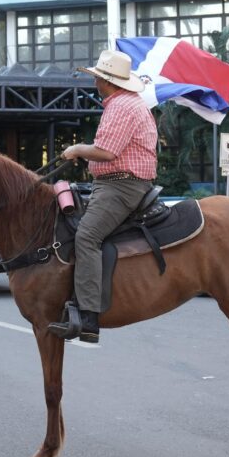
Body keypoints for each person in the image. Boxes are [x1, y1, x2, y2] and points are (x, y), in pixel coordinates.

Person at [47, 49, 158, 344]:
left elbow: (107, 152)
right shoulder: (128, 103)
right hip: (116, 183)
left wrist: (77, 150)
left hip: (122, 186)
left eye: (97, 78)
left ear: (107, 81)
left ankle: (88, 317)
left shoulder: (121, 105)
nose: (95, 83)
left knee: (86, 237)